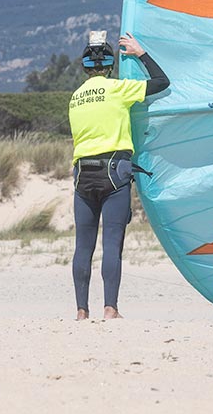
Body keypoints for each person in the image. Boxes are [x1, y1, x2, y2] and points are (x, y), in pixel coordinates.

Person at [68, 31, 170, 320]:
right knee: (112, 242)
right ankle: (110, 309)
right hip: (113, 171)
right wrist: (140, 54)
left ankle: (80, 311)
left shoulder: (75, 98)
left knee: (83, 246)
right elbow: (162, 82)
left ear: (85, 67)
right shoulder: (117, 89)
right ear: (111, 65)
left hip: (81, 177)